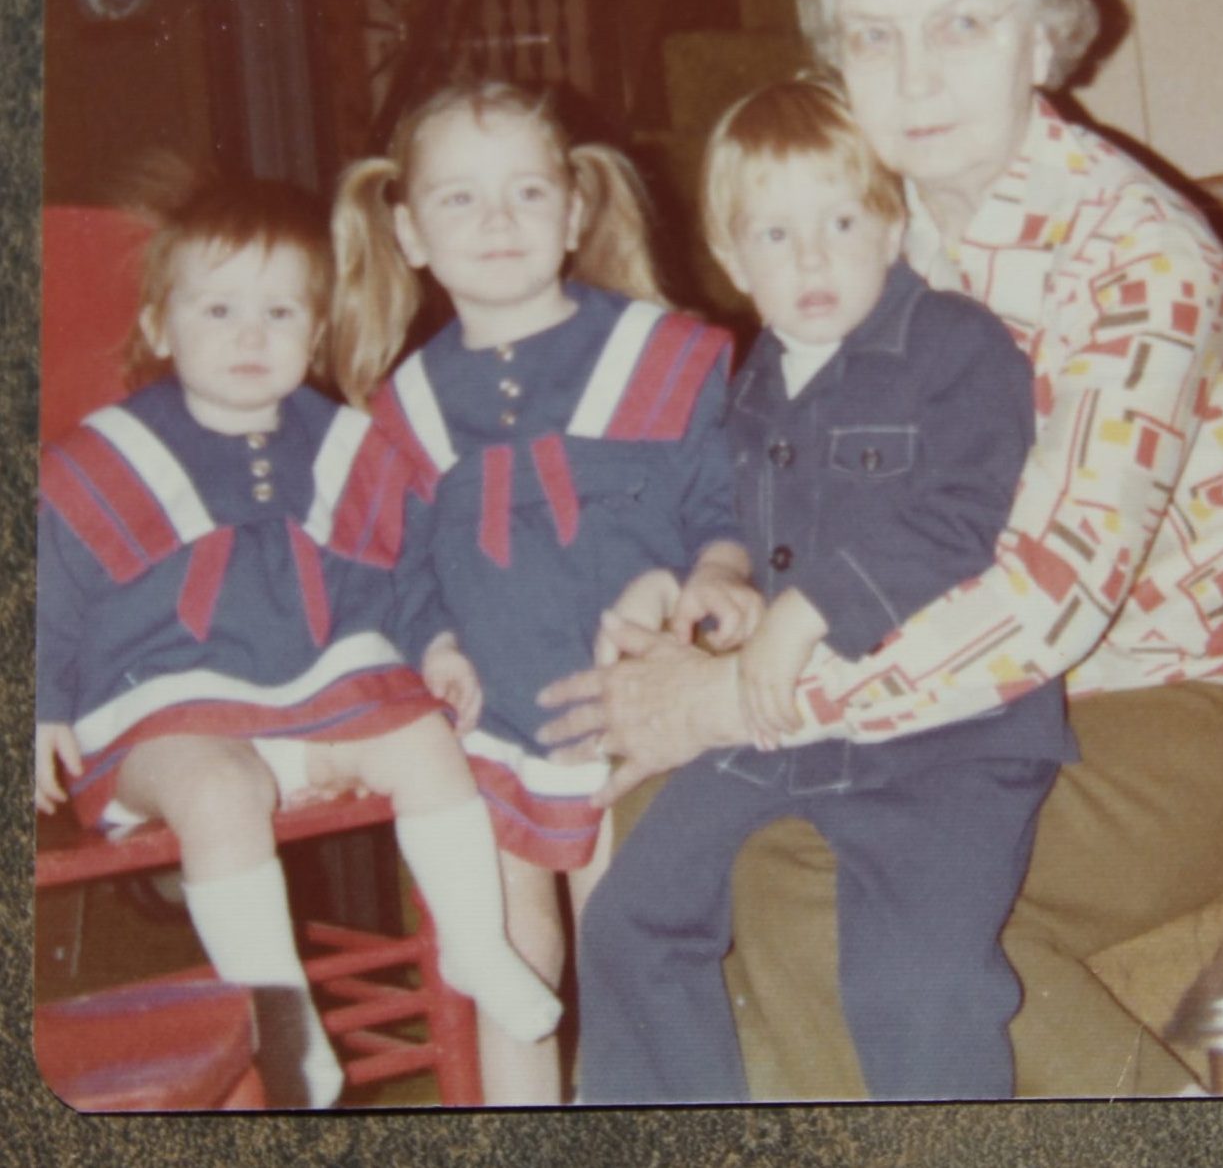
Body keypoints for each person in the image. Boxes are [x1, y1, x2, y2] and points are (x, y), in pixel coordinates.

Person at [536, 0, 1223, 1098]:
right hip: (980, 711)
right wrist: (718, 598)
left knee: (819, 893)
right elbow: (820, 504)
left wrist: (737, 704)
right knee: (675, 846)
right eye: (875, 38)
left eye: (964, 26)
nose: (919, 78)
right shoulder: (861, 247)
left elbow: (1045, 595)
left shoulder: (1140, 261)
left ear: (1044, 37)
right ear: (833, 56)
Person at [578, 78, 1072, 1103]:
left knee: (913, 982)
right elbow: (757, 539)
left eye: (840, 221)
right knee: (629, 922)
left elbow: (967, 515)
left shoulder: (955, 346)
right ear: (729, 256)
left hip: (951, 740)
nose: (810, 259)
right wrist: (730, 585)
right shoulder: (755, 380)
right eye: (773, 233)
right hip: (787, 728)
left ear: (890, 222)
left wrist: (806, 613)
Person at [34, 178, 558, 1110]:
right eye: (219, 308)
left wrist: (434, 644)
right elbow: (46, 590)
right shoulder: (106, 456)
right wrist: (39, 703)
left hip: (315, 687)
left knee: (424, 741)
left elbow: (404, 573)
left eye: (279, 312)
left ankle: (478, 942)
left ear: (313, 335)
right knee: (221, 790)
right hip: (161, 703)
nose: (249, 335)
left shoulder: (344, 449)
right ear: (160, 325)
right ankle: (278, 1016)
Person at [331, 81, 756, 1105]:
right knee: (508, 963)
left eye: (526, 193)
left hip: (630, 720)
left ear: (574, 212)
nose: (498, 223)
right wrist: (432, 644)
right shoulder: (406, 409)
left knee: (628, 948)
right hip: (497, 728)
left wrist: (719, 571)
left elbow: (732, 496)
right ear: (410, 231)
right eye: (461, 201)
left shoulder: (664, 354)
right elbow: (397, 568)